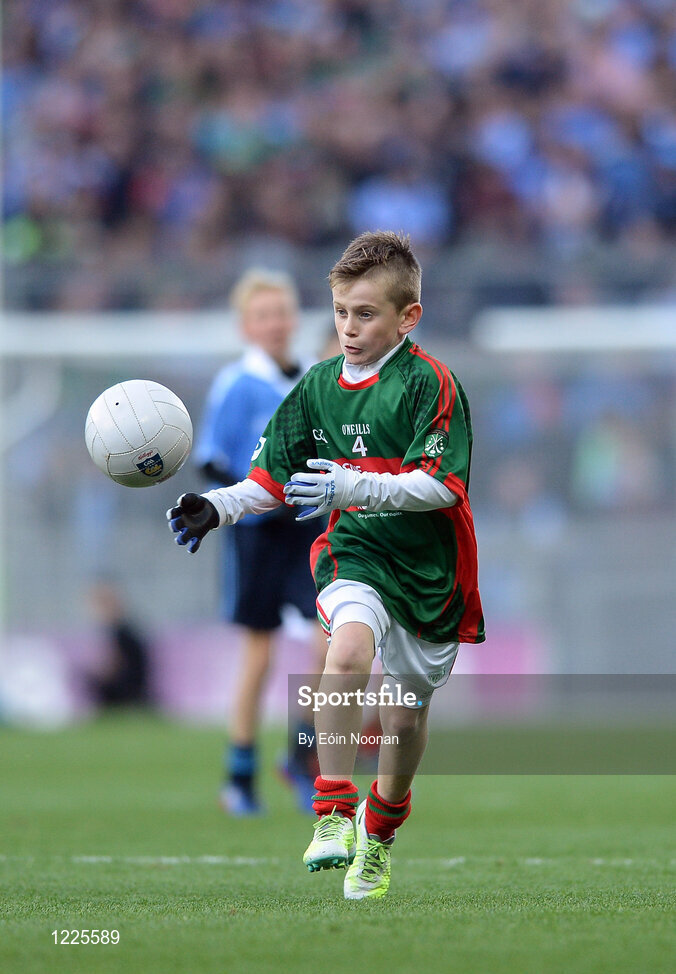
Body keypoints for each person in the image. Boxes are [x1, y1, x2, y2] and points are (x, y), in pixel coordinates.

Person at [168, 231, 484, 899]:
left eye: (366, 314)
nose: (348, 327)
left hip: (431, 574)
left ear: (408, 317)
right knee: (343, 654)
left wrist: (352, 485)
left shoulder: (431, 384)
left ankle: (380, 834)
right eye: (340, 311)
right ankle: (334, 808)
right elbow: (269, 477)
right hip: (356, 552)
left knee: (402, 721)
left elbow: (442, 487)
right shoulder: (316, 386)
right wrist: (217, 507)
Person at [194, 269, 325, 815]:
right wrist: (242, 497)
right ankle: (240, 776)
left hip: (307, 526)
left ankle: (301, 755)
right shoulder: (236, 384)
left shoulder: (315, 379)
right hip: (254, 533)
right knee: (259, 653)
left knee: (332, 641)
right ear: (246, 325)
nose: (276, 324)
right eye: (264, 315)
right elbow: (212, 460)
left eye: (283, 313)